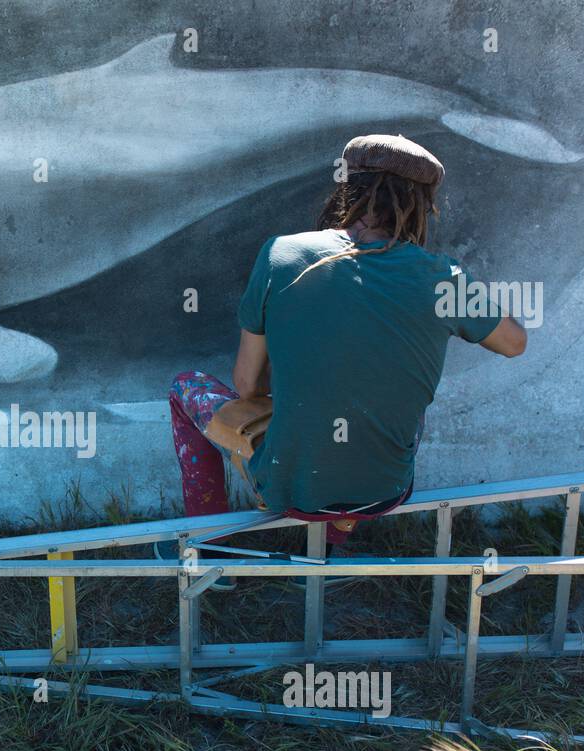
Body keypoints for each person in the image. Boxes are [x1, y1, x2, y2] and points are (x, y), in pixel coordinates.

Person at [165, 134, 527, 588]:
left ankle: (209, 544)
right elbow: (514, 344)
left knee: (185, 387)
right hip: (383, 491)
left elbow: (246, 385)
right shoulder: (444, 279)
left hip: (284, 487)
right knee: (398, 396)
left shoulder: (282, 253)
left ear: (346, 187)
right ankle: (338, 543)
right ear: (420, 205)